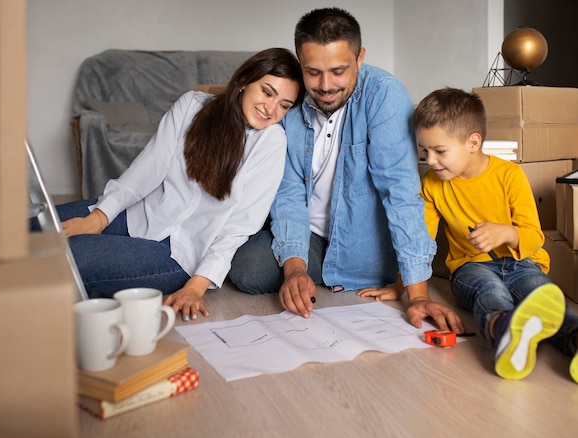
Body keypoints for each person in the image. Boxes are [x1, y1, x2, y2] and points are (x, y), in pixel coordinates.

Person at [228, 7, 464, 334]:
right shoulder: (290, 101)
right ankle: (313, 272)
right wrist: (295, 269)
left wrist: (418, 294)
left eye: (339, 71)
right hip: (310, 235)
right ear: (300, 61)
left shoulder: (385, 96)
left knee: (377, 260)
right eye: (313, 72)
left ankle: (345, 273)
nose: (326, 86)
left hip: (364, 241)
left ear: (360, 58)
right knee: (246, 269)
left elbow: (400, 193)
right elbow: (288, 192)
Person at [50, 48, 303, 322]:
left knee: (70, 256)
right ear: (244, 80)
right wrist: (98, 218)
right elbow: (148, 168)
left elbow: (242, 224)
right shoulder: (192, 105)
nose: (271, 109)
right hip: (141, 215)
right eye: (267, 92)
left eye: (284, 105)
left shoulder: (272, 142)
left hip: (178, 255)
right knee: (40, 225)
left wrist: (196, 286)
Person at [413, 87, 578, 381]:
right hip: (470, 267)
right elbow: (420, 243)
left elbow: (534, 236)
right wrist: (405, 287)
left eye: (440, 151)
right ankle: (504, 331)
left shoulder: (509, 175)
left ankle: (574, 339)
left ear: (473, 142)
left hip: (522, 262)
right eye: (425, 151)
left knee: (539, 293)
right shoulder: (432, 184)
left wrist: (505, 233)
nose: (431, 160)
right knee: (490, 292)